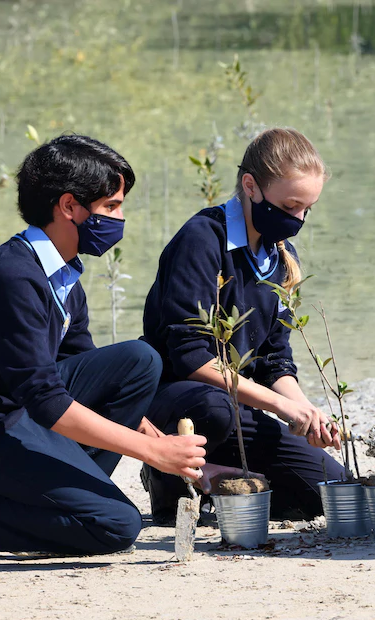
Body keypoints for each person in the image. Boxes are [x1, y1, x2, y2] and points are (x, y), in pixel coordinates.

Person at [0, 135, 207, 557]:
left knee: (139, 361)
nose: (120, 218)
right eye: (111, 207)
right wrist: (153, 453)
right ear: (70, 206)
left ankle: (75, 489)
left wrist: (158, 441)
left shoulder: (63, 272)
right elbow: (47, 401)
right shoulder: (12, 277)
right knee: (116, 526)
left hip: (18, 416)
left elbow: (79, 366)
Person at [140, 127, 344, 524]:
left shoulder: (281, 256)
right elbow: (189, 356)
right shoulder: (202, 239)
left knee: (325, 493)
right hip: (181, 397)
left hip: (240, 403)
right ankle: (167, 476)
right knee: (214, 408)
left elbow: (274, 361)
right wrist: (280, 406)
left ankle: (221, 480)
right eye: (289, 205)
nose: (297, 219)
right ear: (251, 186)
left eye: (307, 209)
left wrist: (305, 412)